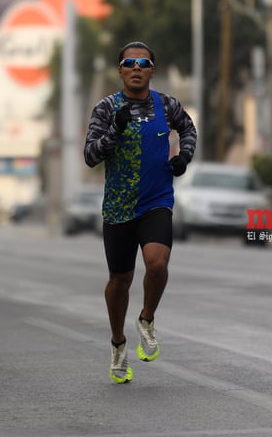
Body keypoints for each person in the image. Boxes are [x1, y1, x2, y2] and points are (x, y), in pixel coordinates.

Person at [84, 41, 197, 383]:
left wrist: (183, 157)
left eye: (143, 63)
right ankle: (118, 345)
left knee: (157, 264)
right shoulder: (106, 109)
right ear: (120, 70)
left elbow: (188, 128)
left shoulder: (166, 104)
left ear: (152, 70)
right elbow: (90, 156)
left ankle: (146, 319)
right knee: (120, 281)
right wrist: (114, 131)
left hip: (156, 200)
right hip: (119, 207)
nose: (136, 68)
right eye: (129, 62)